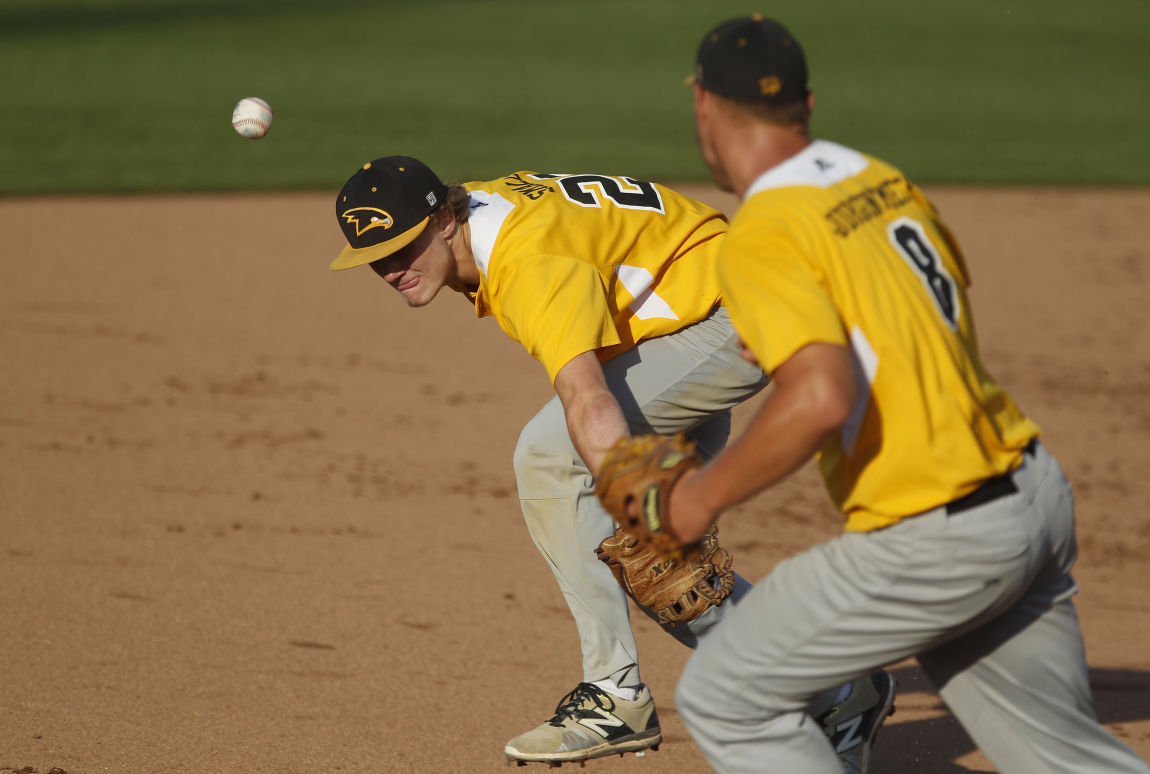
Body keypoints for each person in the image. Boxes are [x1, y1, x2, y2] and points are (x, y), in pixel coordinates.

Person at [666, 13, 1150, 774]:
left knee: (728, 694)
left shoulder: (763, 229)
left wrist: (697, 499)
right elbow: (915, 315)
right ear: (806, 105)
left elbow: (820, 398)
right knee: (1066, 762)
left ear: (702, 104)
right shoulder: (879, 179)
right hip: (1032, 495)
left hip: (936, 541)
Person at [329, 156, 896, 769]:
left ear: (444, 220)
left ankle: (614, 696)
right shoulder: (481, 215)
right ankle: (839, 691)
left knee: (551, 457)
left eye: (401, 248)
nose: (390, 270)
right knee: (649, 562)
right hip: (702, 306)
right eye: (374, 258)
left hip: (737, 311)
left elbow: (588, 398)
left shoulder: (528, 260)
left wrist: (630, 491)